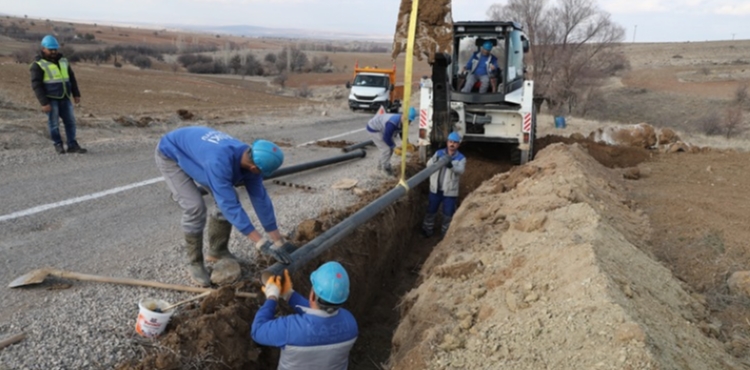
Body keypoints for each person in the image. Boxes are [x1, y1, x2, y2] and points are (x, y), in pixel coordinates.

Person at [155, 126, 293, 287]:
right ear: (255, 168)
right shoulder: (219, 162)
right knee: (195, 206)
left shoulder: (250, 156)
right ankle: (195, 262)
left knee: (229, 195)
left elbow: (260, 198)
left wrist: (278, 241)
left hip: (197, 151)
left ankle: (217, 251)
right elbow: (230, 207)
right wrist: (260, 243)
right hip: (171, 152)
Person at [252, 262, 358, 370]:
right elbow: (318, 313)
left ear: (312, 295)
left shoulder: (289, 329)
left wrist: (272, 297)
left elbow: (257, 330)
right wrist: (289, 294)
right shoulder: (350, 322)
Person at [30, 35, 87, 154]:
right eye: (51, 49)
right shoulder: (38, 65)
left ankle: (72, 145)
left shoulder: (64, 61)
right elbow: (36, 85)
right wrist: (44, 103)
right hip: (51, 100)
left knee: (70, 122)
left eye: (55, 49)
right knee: (54, 124)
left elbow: (71, 78)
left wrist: (76, 94)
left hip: (65, 97)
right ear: (43, 49)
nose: (54, 52)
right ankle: (58, 144)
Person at [422, 132, 466, 237]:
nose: (452, 144)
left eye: (455, 143)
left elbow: (461, 170)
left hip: (449, 191)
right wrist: (435, 159)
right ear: (447, 142)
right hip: (435, 189)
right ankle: (427, 230)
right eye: (450, 142)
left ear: (458, 145)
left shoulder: (461, 158)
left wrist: (451, 166)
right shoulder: (439, 153)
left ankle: (445, 235)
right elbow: (428, 165)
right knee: (431, 211)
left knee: (448, 213)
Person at [366, 106, 417, 175]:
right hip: (374, 128)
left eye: (409, 121)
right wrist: (394, 147)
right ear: (403, 115)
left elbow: (402, 132)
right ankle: (384, 169)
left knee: (390, 148)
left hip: (382, 128)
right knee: (386, 149)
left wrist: (407, 143)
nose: (408, 122)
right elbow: (386, 137)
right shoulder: (392, 123)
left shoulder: (402, 121)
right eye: (406, 119)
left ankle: (381, 166)